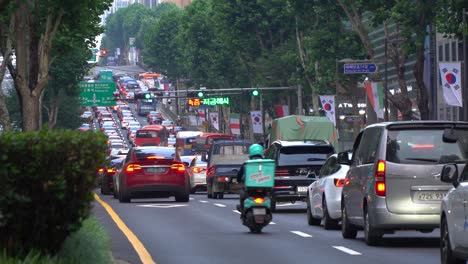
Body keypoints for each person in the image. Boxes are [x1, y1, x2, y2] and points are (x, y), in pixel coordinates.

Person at [236, 144, 264, 216]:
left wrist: (238, 180)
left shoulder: (246, 164)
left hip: (250, 190)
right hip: (264, 189)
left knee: (242, 195)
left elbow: (239, 176)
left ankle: (242, 212)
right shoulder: (267, 163)